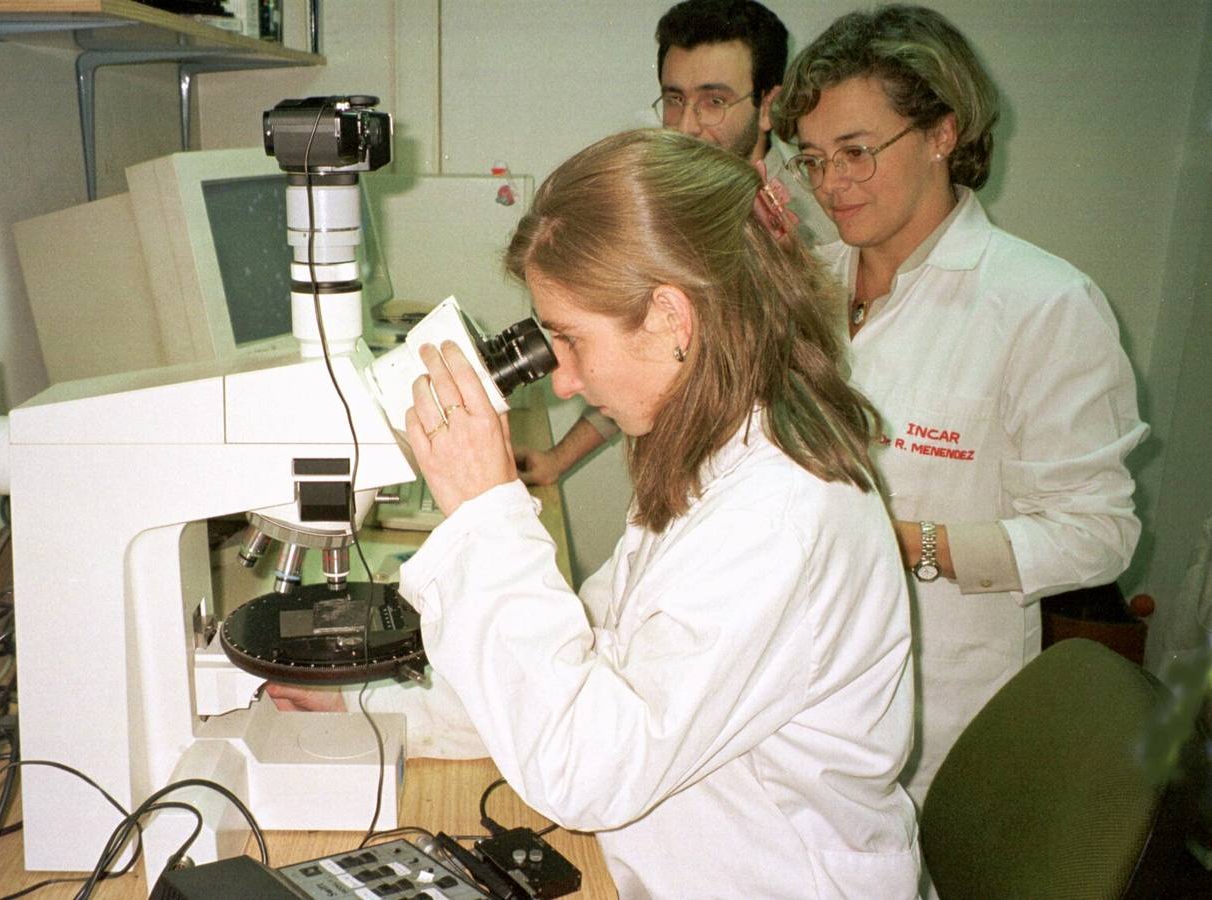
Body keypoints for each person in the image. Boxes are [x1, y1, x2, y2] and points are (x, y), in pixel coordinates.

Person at [274, 128, 921, 897]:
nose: (567, 382)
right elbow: (578, 671)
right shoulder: (714, 445)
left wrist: (485, 511)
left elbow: (586, 771)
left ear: (671, 320)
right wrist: (377, 712)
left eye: (572, 341)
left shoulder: (778, 516)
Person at [771, 4, 1148, 814]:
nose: (832, 185)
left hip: (931, 718)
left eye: (857, 152)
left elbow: (1097, 535)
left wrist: (909, 546)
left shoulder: (1042, 304)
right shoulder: (803, 283)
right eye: (811, 159)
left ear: (942, 134)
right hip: (784, 691)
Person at [515, 0, 835, 488]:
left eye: (714, 101)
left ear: (768, 105)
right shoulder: (671, 196)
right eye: (675, 99)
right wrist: (559, 459)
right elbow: (634, 347)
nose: (686, 125)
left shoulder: (798, 227)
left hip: (746, 486)